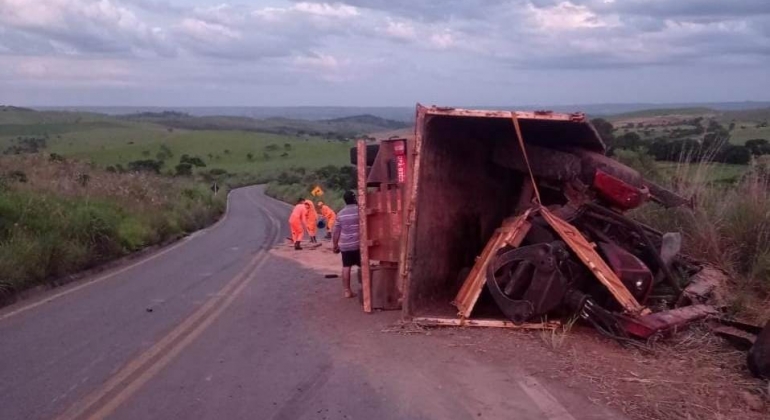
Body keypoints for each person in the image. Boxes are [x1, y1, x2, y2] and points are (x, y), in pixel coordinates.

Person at [332, 191, 360, 298]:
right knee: (363, 265)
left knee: (346, 266)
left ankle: (347, 291)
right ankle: (367, 287)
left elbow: (336, 232)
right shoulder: (359, 211)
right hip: (358, 244)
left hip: (346, 245)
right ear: (354, 199)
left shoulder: (340, 214)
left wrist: (335, 246)